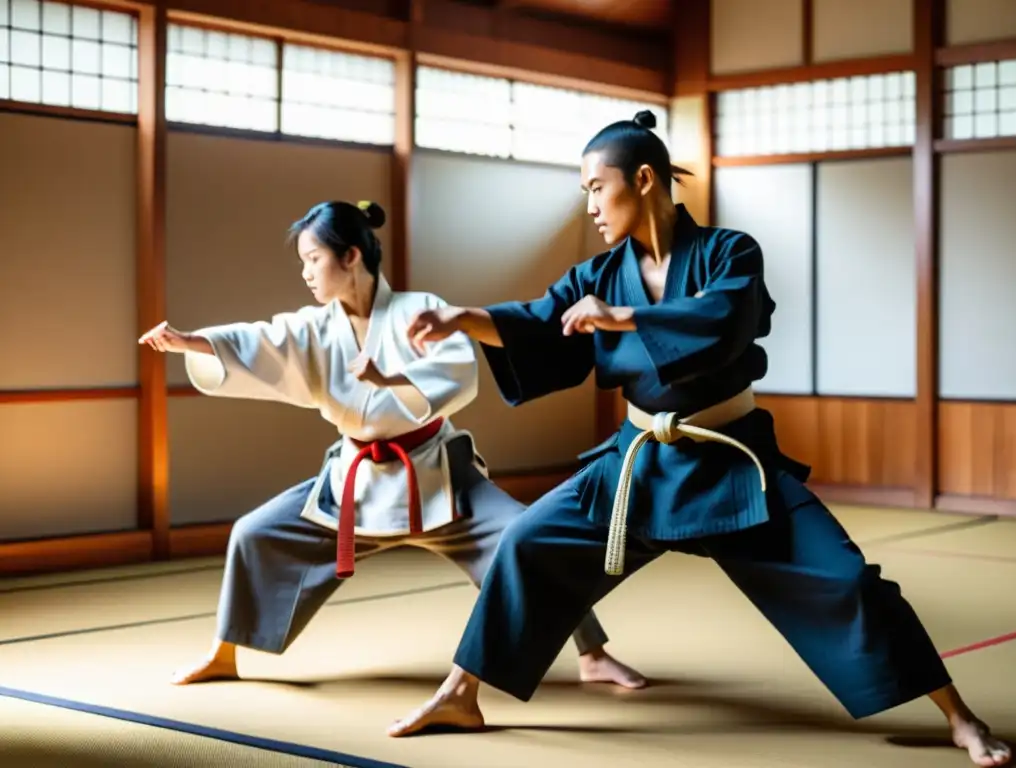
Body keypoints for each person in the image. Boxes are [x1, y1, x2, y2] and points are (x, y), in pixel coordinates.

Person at [388, 112, 1012, 768]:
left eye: (598, 187)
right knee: (525, 544)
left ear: (645, 178)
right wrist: (464, 318)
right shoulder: (598, 273)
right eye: (586, 193)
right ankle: (462, 693)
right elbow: (540, 323)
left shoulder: (728, 252)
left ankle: (960, 717)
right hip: (636, 467)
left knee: (849, 581)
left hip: (730, 464)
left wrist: (625, 316)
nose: (591, 205)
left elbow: (725, 318)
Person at [137, 199, 646, 692]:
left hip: (436, 475)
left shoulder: (420, 309)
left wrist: (389, 377)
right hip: (353, 480)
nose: (306, 273)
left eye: (314, 259)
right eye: (304, 263)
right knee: (255, 533)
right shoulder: (316, 325)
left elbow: (456, 371)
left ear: (350, 256)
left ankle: (592, 654)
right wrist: (192, 342)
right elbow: (259, 342)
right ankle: (225, 654)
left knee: (525, 539)